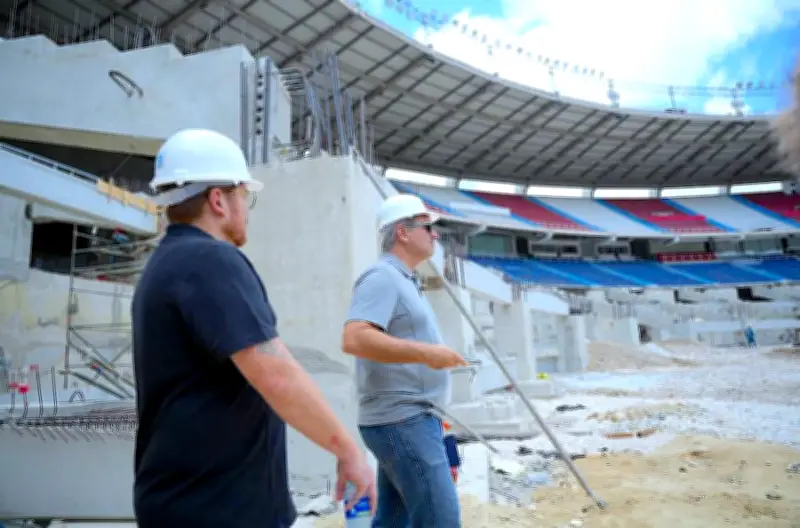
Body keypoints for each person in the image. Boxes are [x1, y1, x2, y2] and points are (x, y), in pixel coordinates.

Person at [131, 128, 376, 527]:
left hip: (187, 503)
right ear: (218, 200)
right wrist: (349, 451)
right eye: (245, 196)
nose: (247, 208)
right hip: (218, 509)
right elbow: (275, 374)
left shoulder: (166, 265)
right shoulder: (209, 262)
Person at [341, 194, 468, 527]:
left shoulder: (405, 281)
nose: (435, 234)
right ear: (403, 232)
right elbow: (355, 338)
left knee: (393, 520)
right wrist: (427, 353)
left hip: (408, 418)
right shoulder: (382, 277)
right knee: (441, 520)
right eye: (427, 227)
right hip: (402, 419)